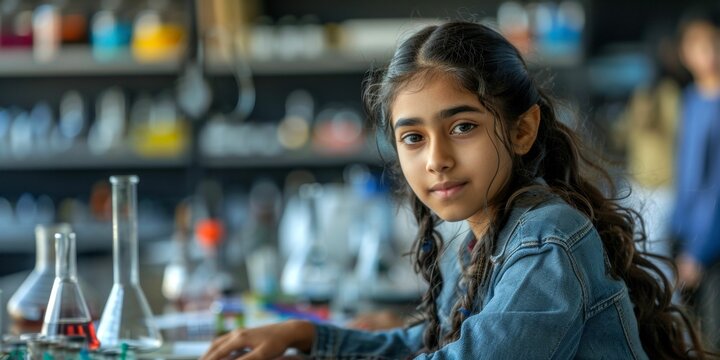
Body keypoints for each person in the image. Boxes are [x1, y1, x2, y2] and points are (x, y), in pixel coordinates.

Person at [202, 21, 711, 360]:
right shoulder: (473, 242)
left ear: (521, 130)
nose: (436, 158)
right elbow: (430, 344)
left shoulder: (547, 237)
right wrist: (307, 335)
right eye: (413, 137)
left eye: (462, 126)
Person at [671, 8, 720, 348]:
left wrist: (699, 251)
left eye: (715, 43)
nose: (710, 53)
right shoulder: (689, 99)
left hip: (711, 245)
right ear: (685, 52)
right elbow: (687, 175)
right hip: (684, 236)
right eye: (700, 44)